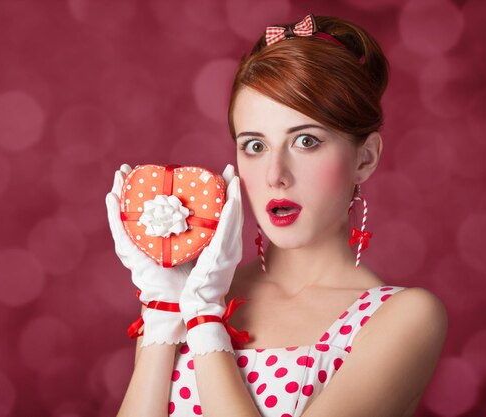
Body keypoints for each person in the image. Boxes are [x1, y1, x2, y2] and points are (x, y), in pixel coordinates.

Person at [106, 13, 448, 417]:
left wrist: (204, 321)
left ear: (365, 158)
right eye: (255, 146)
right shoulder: (188, 292)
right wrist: (165, 312)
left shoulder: (404, 318)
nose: (275, 176)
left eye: (306, 141)